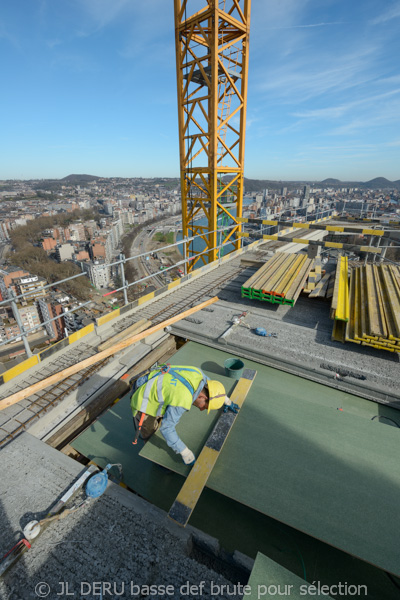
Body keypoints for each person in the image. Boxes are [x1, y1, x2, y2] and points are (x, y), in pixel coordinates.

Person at [130, 364, 239, 464]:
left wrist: (225, 400)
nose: (201, 409)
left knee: (167, 413)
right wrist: (185, 452)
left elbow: (210, 384)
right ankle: (153, 457)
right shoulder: (182, 400)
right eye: (204, 407)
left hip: (152, 377)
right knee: (150, 433)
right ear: (203, 397)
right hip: (143, 399)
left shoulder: (198, 374)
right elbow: (167, 428)